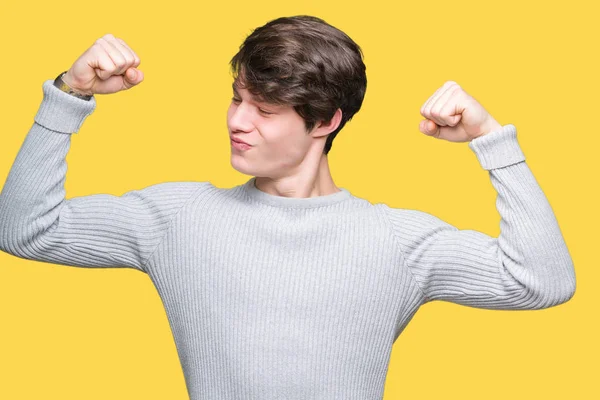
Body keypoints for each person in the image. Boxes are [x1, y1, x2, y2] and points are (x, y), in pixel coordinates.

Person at [0, 15, 576, 400]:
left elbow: (542, 283)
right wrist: (70, 94)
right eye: (236, 98)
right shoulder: (176, 217)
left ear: (326, 122)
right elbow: (24, 229)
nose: (236, 121)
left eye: (265, 109)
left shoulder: (398, 241)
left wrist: (492, 141)